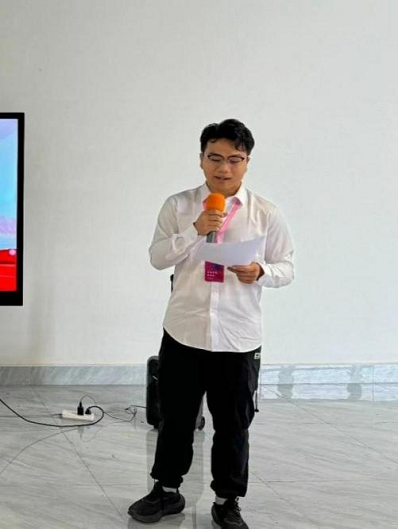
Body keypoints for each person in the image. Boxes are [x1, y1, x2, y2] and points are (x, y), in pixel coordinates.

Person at [128, 119, 295, 528]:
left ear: (247, 162)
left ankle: (227, 500)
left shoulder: (266, 213)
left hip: (238, 337)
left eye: (234, 159)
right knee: (176, 418)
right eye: (215, 158)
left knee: (234, 425)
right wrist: (195, 231)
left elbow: (287, 267)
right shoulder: (179, 206)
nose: (224, 168)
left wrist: (261, 271)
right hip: (185, 331)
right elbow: (157, 257)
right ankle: (166, 490)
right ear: (201, 159)